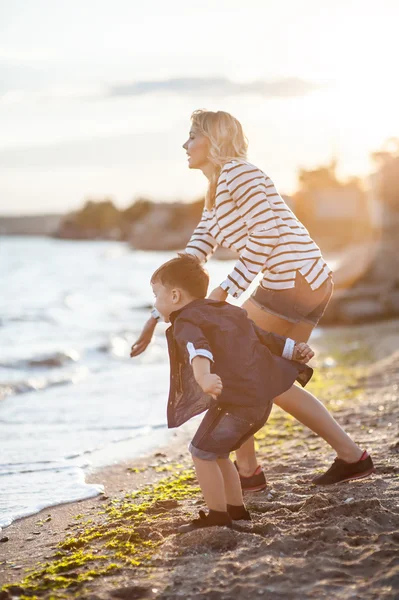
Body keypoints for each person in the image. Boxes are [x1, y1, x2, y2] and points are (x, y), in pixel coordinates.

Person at [131, 110, 374, 488]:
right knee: (271, 379)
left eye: (192, 136)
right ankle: (350, 457)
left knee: (237, 368)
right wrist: (152, 317)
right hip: (306, 280)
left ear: (212, 140)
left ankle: (249, 472)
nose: (185, 144)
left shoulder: (239, 174)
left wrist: (224, 291)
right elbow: (192, 256)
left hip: (291, 281)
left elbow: (266, 237)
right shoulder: (217, 189)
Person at [136, 253, 314, 532]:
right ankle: (237, 511)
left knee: (200, 452)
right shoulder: (228, 311)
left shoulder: (185, 321)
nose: (155, 303)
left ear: (174, 295)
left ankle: (217, 515)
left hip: (236, 403)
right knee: (219, 453)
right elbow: (262, 337)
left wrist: (204, 376)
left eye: (156, 294)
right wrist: (295, 349)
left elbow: (198, 347)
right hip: (259, 401)